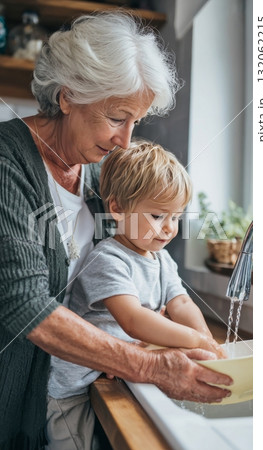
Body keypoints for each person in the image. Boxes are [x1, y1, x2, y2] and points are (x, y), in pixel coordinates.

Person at [0, 12, 232, 450]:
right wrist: (140, 363)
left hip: (73, 387)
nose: (125, 141)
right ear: (68, 97)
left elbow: (135, 259)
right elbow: (24, 306)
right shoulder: (8, 166)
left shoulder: (99, 175)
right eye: (116, 117)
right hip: (13, 404)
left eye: (135, 122)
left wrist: (114, 345)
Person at [47, 141, 228, 449]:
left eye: (177, 216)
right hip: (72, 391)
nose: (170, 228)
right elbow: (132, 319)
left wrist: (205, 340)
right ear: (117, 209)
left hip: (112, 374)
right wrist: (194, 340)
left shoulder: (161, 260)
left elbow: (181, 302)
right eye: (158, 216)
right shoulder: (107, 259)